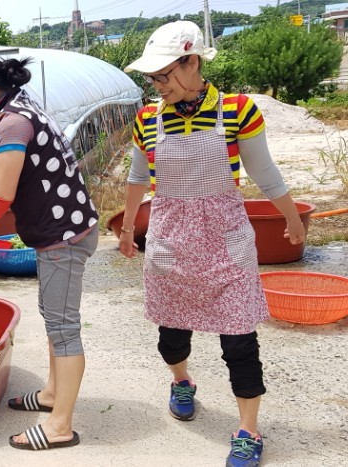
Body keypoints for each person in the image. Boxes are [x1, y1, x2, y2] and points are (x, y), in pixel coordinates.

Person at [119, 21, 306, 467]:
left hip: (225, 238)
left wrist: (293, 219)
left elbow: (265, 173)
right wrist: (128, 229)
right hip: (170, 238)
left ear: (192, 62)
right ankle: (182, 381)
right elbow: (137, 178)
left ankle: (248, 430)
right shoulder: (147, 118)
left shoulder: (239, 109)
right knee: (171, 336)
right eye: (153, 78)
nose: (157, 84)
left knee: (240, 342)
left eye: (164, 74)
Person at [0, 56, 99, 452]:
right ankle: (51, 393)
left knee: (63, 329)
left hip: (63, 236)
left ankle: (60, 425)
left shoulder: (11, 121)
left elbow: (1, 195)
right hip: (62, 229)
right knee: (54, 319)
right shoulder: (20, 103)